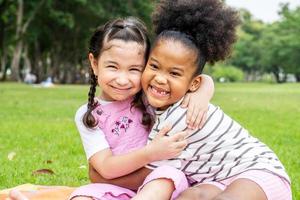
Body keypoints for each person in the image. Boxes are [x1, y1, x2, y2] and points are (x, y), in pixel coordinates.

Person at [8, 16, 214, 200]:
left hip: (158, 182)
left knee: (167, 176)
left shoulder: (150, 96)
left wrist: (204, 90)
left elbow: (197, 80)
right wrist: (150, 153)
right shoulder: (89, 115)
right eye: (113, 67)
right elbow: (105, 167)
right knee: (84, 195)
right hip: (113, 188)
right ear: (94, 63)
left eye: (134, 69)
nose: (122, 79)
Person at [132, 0, 291, 200]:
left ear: (193, 83)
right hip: (215, 181)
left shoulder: (176, 118)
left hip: (258, 173)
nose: (160, 78)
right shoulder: (164, 104)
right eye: (154, 66)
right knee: (188, 196)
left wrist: (103, 176)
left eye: (174, 73)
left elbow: (147, 176)